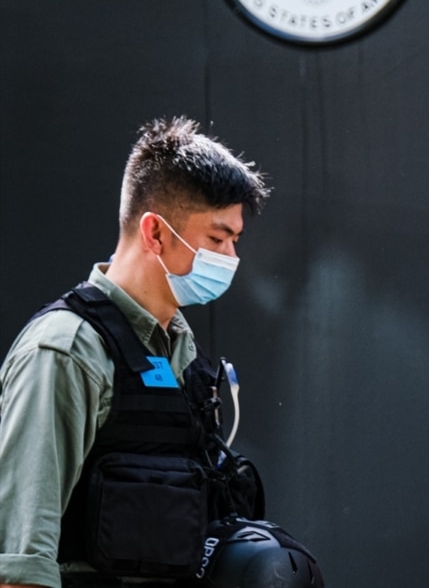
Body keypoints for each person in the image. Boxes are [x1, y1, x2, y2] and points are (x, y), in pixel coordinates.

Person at [0, 117, 281, 588]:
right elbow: (18, 564)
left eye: (235, 239)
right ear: (155, 233)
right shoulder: (66, 350)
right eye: (216, 238)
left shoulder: (182, 351)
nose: (231, 258)